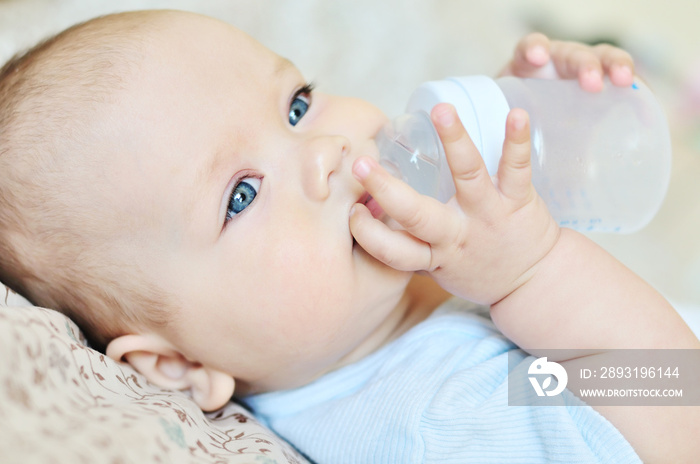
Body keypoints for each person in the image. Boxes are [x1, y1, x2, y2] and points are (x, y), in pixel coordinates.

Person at [0, 9, 697, 463]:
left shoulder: (371, 329)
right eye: (241, 195)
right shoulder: (436, 422)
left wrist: (519, 136)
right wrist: (532, 271)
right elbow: (674, 399)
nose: (326, 149)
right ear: (177, 367)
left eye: (297, 104)